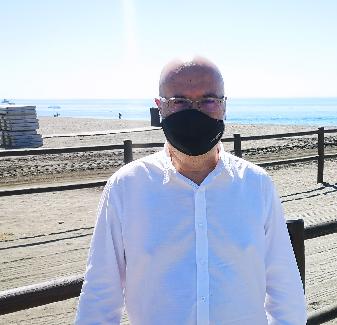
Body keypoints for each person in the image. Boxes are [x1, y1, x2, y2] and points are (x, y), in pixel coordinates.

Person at [75, 57, 306, 324]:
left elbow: (284, 287)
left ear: (224, 107)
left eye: (208, 100)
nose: (194, 112)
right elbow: (100, 294)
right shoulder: (127, 187)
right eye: (180, 101)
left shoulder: (256, 184)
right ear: (160, 108)